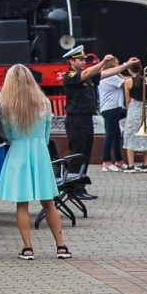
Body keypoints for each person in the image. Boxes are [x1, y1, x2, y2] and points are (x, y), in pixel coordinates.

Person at [0, 65, 71, 259]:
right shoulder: (44, 102)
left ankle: (27, 248)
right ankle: (61, 246)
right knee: (49, 202)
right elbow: (47, 136)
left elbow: (9, 135)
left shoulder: (7, 106)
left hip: (18, 153)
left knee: (22, 204)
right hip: (40, 154)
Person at [61, 46, 111, 197]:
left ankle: (80, 187)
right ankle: (73, 188)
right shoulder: (70, 75)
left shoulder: (87, 75)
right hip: (76, 120)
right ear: (71, 61)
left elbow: (105, 74)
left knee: (85, 154)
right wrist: (102, 62)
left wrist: (126, 66)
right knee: (77, 154)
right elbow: (88, 73)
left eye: (84, 59)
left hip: (86, 119)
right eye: (80, 59)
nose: (84, 62)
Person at [98, 56, 136, 172]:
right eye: (116, 64)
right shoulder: (111, 77)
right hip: (111, 108)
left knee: (116, 135)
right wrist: (120, 74)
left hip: (111, 108)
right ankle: (106, 161)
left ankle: (119, 161)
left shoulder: (107, 76)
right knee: (110, 135)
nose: (118, 67)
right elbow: (128, 83)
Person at [121, 60, 147, 172]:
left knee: (130, 135)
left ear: (130, 70)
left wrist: (127, 108)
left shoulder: (128, 82)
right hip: (144, 108)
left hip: (134, 107)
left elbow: (127, 100)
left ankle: (131, 165)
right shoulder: (146, 80)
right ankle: (146, 165)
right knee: (146, 135)